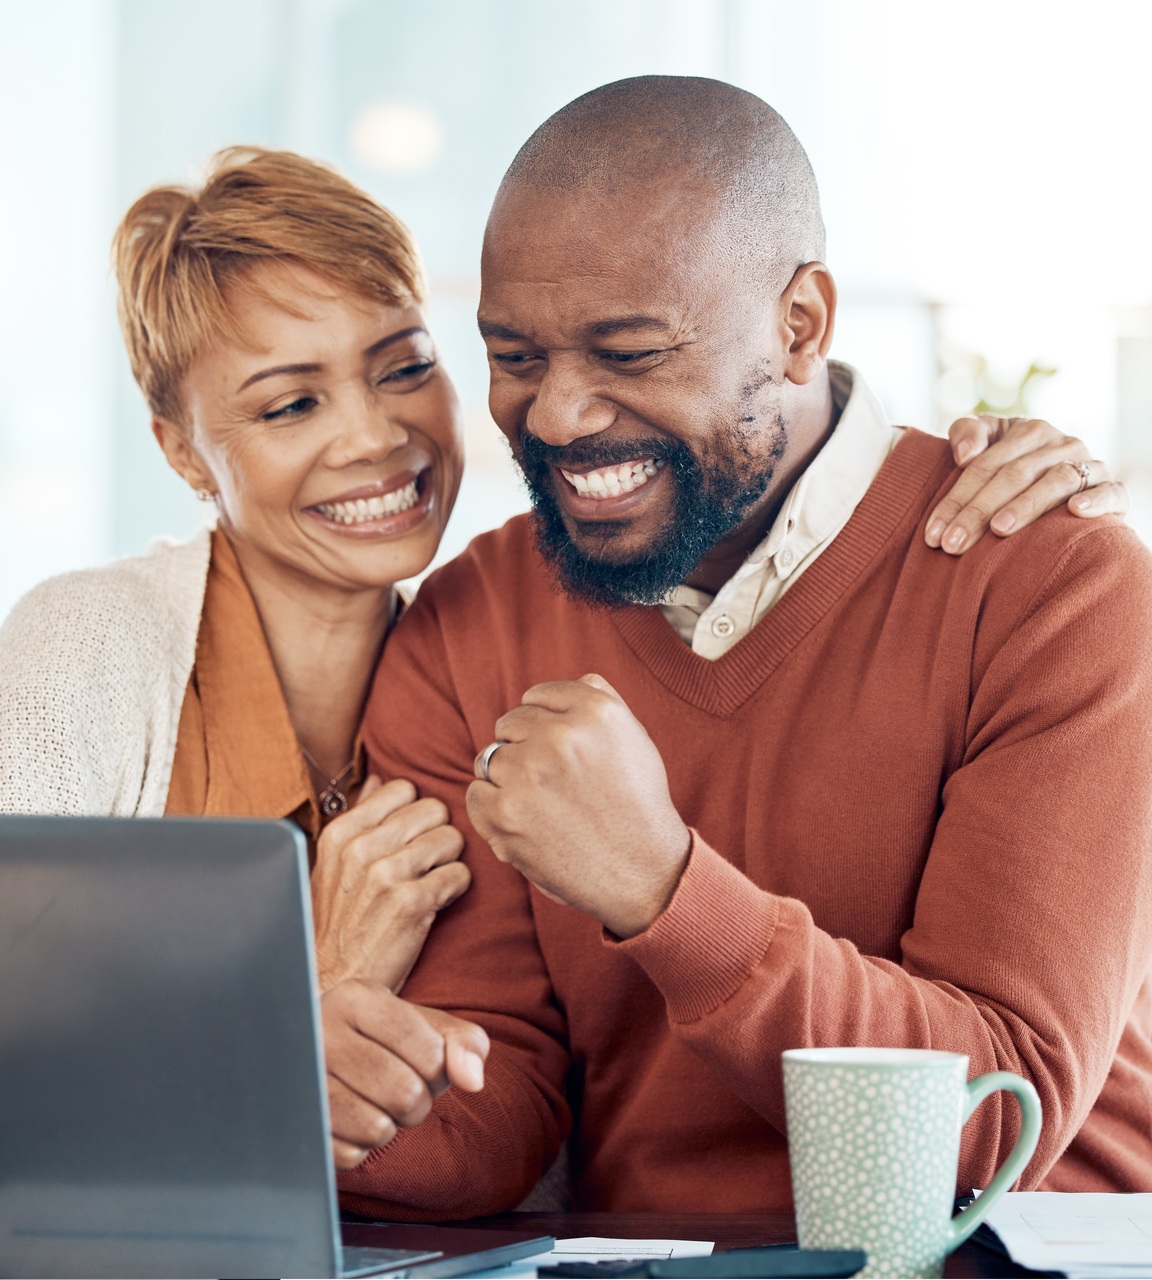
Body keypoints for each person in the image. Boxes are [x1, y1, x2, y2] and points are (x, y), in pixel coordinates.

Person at [328, 77, 1152, 1216]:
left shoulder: (1047, 580)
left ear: (800, 324)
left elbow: (990, 1119)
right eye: (515, 356)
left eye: (628, 351)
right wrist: (336, 1096)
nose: (559, 416)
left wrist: (661, 886)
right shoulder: (471, 625)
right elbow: (489, 1123)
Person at [0, 149, 477, 1026]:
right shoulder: (80, 651)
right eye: (291, 405)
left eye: (404, 367)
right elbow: (27, 1081)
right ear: (182, 451)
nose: (374, 436)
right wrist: (326, 981)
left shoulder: (479, 681)